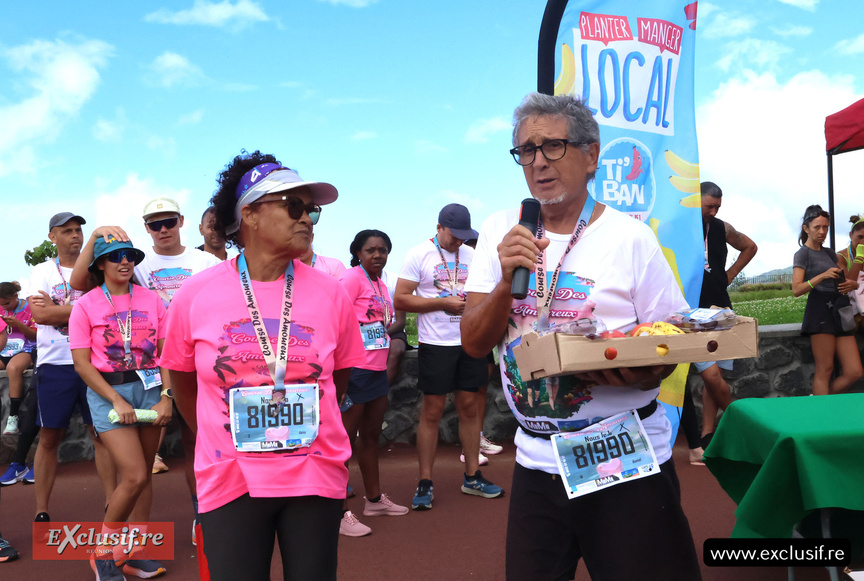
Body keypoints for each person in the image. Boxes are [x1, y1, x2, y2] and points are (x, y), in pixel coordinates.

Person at [461, 92, 701, 580]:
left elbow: (672, 339)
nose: (538, 162)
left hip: (623, 456)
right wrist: (508, 281)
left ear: (591, 155)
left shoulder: (631, 238)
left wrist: (631, 365)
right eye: (526, 150)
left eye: (552, 146)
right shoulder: (500, 231)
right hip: (537, 460)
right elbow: (472, 341)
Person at [160, 151, 365, 581]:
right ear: (249, 215)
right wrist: (219, 430)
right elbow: (181, 378)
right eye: (293, 207)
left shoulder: (332, 293)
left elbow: (338, 379)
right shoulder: (194, 295)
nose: (306, 218)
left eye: (311, 209)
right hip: (231, 473)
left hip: (315, 470)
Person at [69, 235, 171, 580]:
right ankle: (103, 554)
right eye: (115, 257)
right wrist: (115, 399)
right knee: (135, 475)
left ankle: (134, 551)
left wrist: (167, 397)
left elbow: (165, 350)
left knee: (144, 481)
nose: (124, 261)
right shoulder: (85, 305)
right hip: (108, 394)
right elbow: (82, 364)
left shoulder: (152, 299)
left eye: (129, 256)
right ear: (99, 264)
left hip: (150, 390)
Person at [394, 203, 504, 511]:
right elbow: (401, 298)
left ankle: (472, 476)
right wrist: (440, 305)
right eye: (453, 236)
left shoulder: (474, 255)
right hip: (435, 344)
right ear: (439, 227)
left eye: (463, 237)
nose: (458, 242)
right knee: (432, 410)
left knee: (470, 407)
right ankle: (425, 481)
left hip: (470, 343)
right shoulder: (419, 254)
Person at [28, 212, 115, 523]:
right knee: (50, 436)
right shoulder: (41, 271)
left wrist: (59, 309)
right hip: (55, 364)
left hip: (94, 361)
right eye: (67, 231)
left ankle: (111, 504)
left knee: (101, 433)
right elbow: (42, 317)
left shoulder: (95, 269)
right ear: (53, 237)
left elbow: (106, 310)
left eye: (79, 230)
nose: (75, 235)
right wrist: (84, 308)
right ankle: (41, 509)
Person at [337, 230, 408, 537]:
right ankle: (337, 511)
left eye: (383, 250)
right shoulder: (352, 279)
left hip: (377, 369)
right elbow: (336, 317)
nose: (377, 255)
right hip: (355, 371)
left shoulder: (380, 284)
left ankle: (375, 500)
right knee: (342, 442)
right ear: (358, 254)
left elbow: (382, 323)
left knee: (369, 438)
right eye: (370, 250)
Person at [688, 181, 758, 457]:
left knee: (712, 380)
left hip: (721, 310)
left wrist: (728, 275)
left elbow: (750, 247)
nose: (714, 212)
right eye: (709, 206)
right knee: (713, 376)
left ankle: (708, 437)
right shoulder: (681, 228)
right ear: (696, 202)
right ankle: (744, 427)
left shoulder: (720, 227)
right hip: (691, 314)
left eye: (717, 207)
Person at [793, 205, 862, 396]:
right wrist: (821, 276)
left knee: (854, 371)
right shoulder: (802, 254)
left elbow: (846, 281)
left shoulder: (830, 253)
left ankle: (820, 401)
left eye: (826, 227)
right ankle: (821, 413)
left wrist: (853, 286)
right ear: (806, 228)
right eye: (817, 227)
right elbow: (797, 289)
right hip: (820, 312)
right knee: (825, 369)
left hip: (840, 311)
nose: (822, 232)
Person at [0, 281, 37, 436]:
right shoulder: (1, 308)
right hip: (5, 350)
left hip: (26, 349)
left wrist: (19, 325)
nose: (5, 308)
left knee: (13, 368)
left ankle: (13, 418)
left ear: (16, 296)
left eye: (7, 303)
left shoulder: (30, 308)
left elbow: (36, 335)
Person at [836, 213, 864, 327]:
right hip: (849, 309)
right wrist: (859, 257)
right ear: (850, 235)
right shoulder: (840, 256)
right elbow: (848, 282)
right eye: (860, 237)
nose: (863, 242)